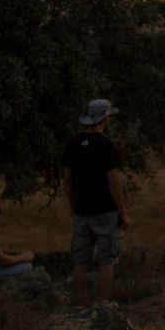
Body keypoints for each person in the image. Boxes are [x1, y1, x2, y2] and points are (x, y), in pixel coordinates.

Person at [63, 97, 130, 305]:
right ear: (104, 118)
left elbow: (67, 182)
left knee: (80, 260)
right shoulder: (106, 145)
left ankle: (81, 303)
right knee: (106, 260)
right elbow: (114, 183)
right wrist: (124, 213)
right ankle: (102, 306)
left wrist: (74, 208)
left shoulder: (72, 144)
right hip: (105, 213)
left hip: (82, 212)